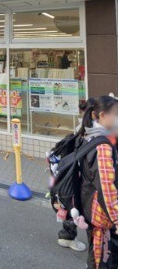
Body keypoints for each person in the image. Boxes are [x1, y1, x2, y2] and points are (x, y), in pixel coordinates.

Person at [78, 95, 118, 269]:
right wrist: (118, 219)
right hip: (101, 214)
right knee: (101, 260)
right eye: (116, 114)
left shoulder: (90, 134)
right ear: (102, 115)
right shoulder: (102, 146)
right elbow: (107, 189)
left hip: (90, 208)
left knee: (96, 257)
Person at [55, 100, 90, 252]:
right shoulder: (88, 135)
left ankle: (67, 236)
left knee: (71, 207)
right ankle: (68, 237)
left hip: (70, 179)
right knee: (73, 208)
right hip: (76, 180)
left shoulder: (81, 131)